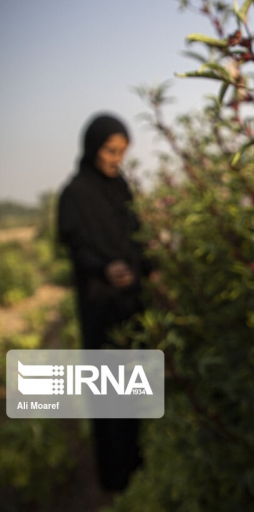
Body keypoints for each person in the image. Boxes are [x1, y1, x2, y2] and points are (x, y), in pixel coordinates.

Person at [58, 113, 152, 492]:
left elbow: (136, 237)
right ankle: (116, 482)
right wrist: (104, 269)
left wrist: (147, 266)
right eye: (110, 151)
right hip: (100, 307)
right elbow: (75, 248)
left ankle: (140, 470)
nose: (116, 159)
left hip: (131, 304)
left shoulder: (121, 188)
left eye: (121, 152)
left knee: (137, 390)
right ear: (93, 148)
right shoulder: (75, 193)